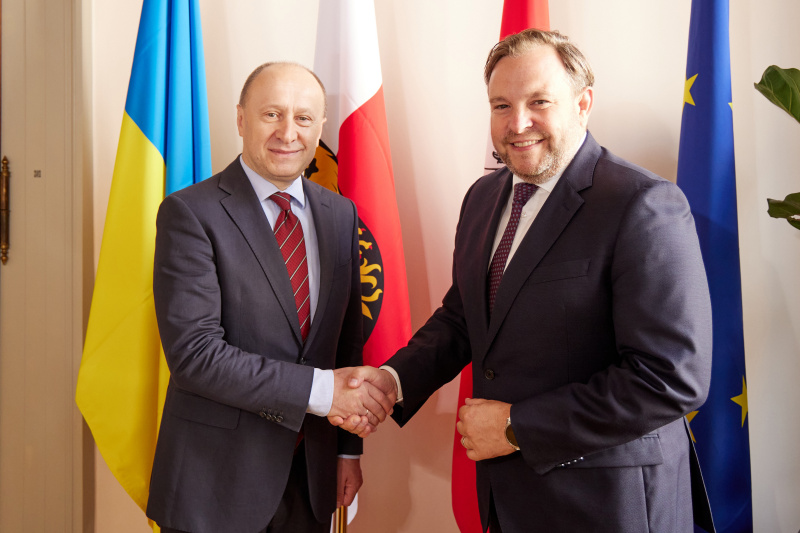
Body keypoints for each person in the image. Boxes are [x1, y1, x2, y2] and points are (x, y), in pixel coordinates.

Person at [338, 29, 714, 532]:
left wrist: (518, 426)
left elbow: (671, 378)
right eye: (501, 105)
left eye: (539, 101)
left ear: (582, 104)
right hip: (510, 498)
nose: (518, 124)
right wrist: (392, 380)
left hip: (609, 504)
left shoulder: (642, 205)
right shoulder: (483, 198)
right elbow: (466, 316)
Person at [146, 62, 393, 533]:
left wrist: (346, 449)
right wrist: (325, 393)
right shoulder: (190, 214)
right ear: (241, 119)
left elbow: (345, 338)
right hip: (215, 486)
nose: (287, 132)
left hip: (312, 479)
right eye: (271, 114)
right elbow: (195, 357)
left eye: (303, 118)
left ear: (320, 128)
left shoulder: (340, 214)